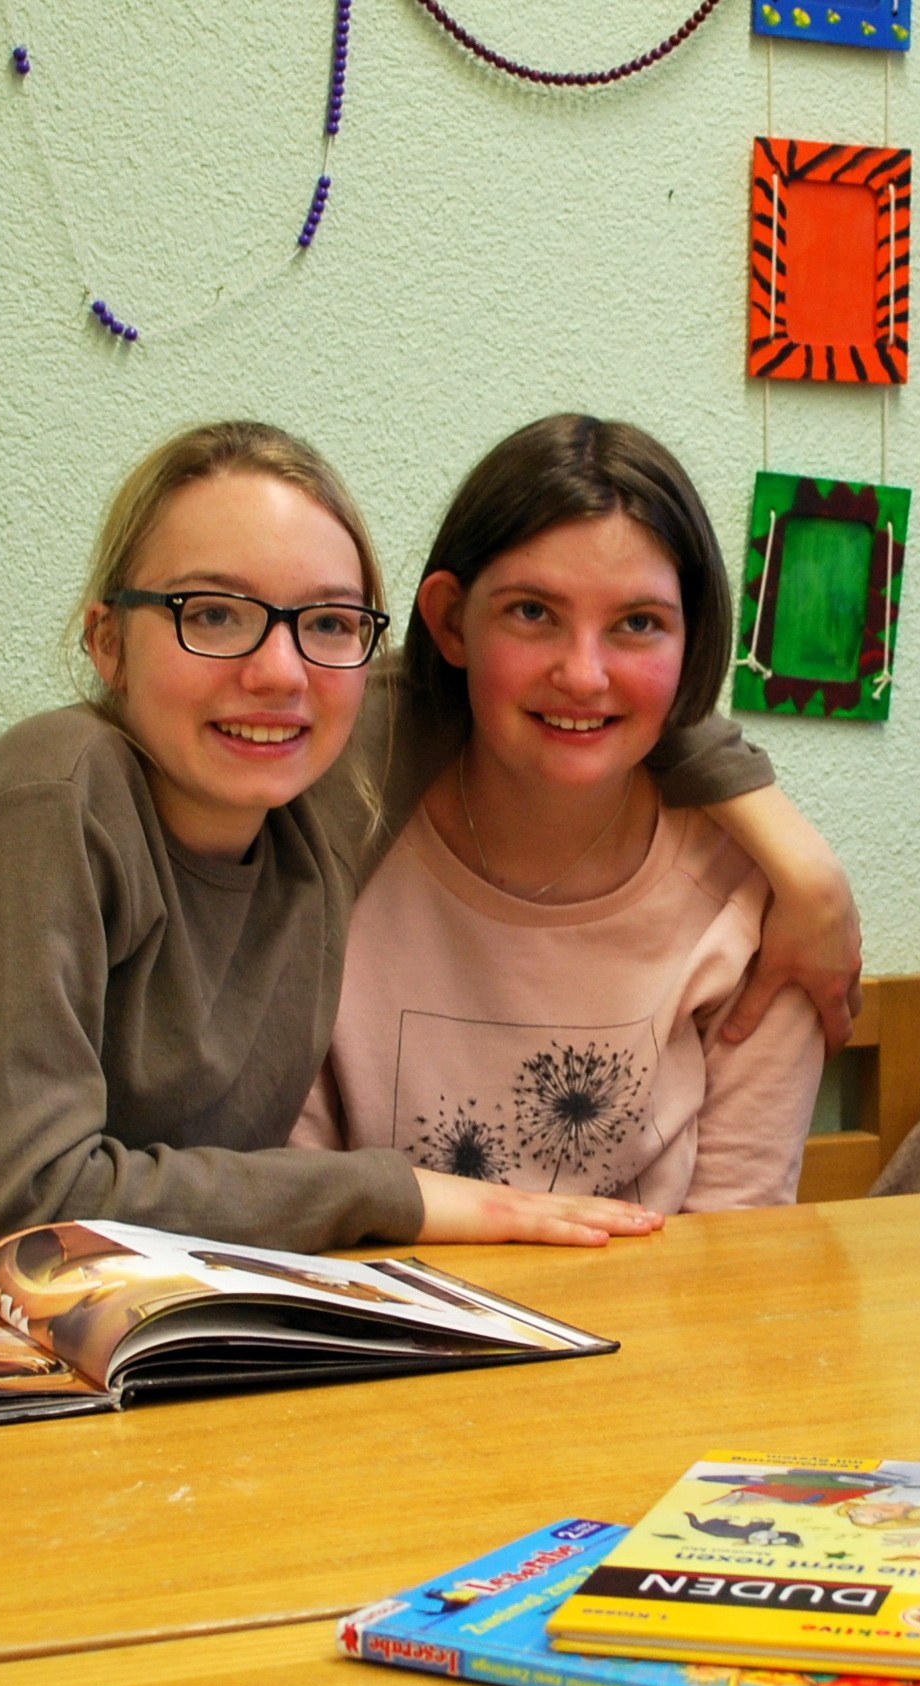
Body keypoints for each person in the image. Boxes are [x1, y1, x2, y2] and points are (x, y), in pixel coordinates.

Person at [0, 420, 855, 1286]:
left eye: (330, 622)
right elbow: (18, 1209)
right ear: (106, 639)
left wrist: (803, 868)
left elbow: (600, 697)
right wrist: (397, 1195)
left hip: (160, 1342)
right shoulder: (56, 794)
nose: (279, 672)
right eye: (212, 614)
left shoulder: (320, 787)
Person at [290, 416, 825, 1210]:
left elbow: (737, 1247)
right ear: (451, 621)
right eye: (533, 613)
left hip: (667, 1294)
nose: (583, 675)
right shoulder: (335, 846)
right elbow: (294, 1205)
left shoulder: (762, 909)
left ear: (692, 640)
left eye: (638, 624)